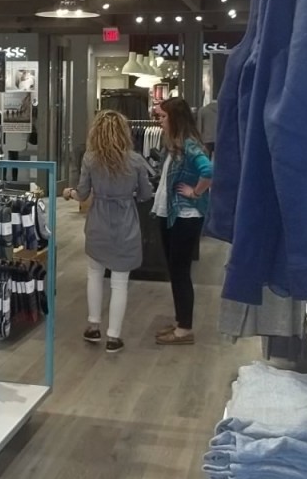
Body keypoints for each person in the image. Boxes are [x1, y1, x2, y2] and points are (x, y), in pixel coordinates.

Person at [63, 110, 153, 353]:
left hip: (98, 222)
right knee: (120, 282)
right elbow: (146, 195)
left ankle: (93, 326)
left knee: (94, 274)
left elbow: (82, 194)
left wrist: (70, 193)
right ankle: (114, 337)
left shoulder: (90, 159)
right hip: (126, 223)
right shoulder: (135, 160)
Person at [152, 97, 213, 345]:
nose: (160, 121)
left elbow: (208, 171)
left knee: (180, 272)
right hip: (173, 214)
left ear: (175, 118)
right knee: (176, 271)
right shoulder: (177, 145)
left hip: (185, 216)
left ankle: (185, 329)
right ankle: (181, 322)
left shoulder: (189, 145)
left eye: (163, 117)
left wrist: (195, 192)